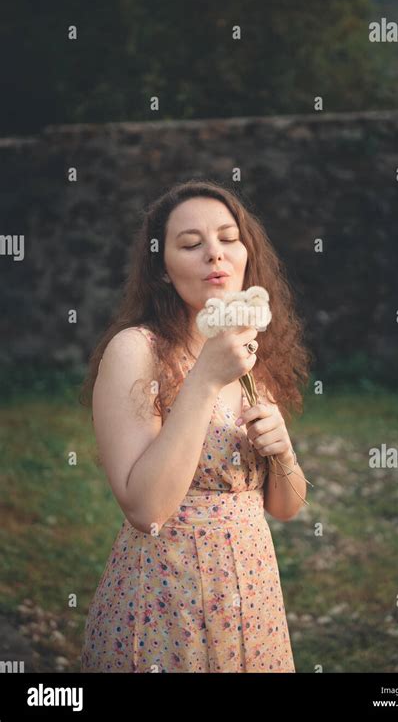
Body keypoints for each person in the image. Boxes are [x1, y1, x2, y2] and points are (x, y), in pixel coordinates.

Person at [79, 179, 312, 672]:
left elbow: (285, 507)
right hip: (167, 600)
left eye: (229, 238)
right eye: (191, 244)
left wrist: (284, 453)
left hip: (252, 600)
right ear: (161, 269)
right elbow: (146, 509)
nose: (215, 254)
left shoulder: (249, 352)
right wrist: (204, 379)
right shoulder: (135, 351)